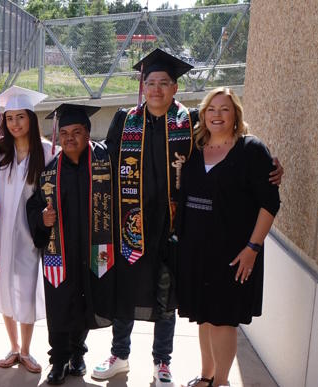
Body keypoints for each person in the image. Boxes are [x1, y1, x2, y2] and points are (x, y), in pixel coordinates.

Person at [96, 49, 283, 386]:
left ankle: (162, 362)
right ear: (143, 86)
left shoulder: (191, 121)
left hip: (175, 226)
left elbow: (230, 144)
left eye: (163, 83)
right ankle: (119, 354)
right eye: (150, 82)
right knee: (126, 291)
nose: (156, 89)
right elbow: (104, 163)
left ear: (175, 88)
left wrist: (272, 168)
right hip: (132, 223)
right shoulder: (125, 120)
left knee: (167, 294)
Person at [176, 87, 279, 387]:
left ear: (236, 115)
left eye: (225, 109)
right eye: (211, 109)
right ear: (203, 114)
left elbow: (269, 203)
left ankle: (221, 381)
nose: (217, 115)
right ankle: (206, 376)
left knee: (223, 319)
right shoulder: (195, 149)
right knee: (204, 317)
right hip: (196, 250)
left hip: (233, 253)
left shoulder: (251, 150)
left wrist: (253, 247)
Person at [27, 104, 117, 385]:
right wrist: (42, 218)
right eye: (64, 133)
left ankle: (78, 354)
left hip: (94, 249)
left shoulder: (106, 162)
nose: (69, 138)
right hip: (60, 253)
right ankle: (58, 359)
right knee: (60, 306)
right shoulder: (49, 172)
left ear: (88, 133)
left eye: (76, 132)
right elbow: (34, 207)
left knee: (85, 302)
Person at [0, 86, 54, 374]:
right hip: (0, 234)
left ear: (32, 119)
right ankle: (13, 347)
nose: (15, 124)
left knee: (26, 289)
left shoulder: (47, 152)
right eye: (9, 118)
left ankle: (26, 349)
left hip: (28, 235)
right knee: (4, 288)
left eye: (20, 117)